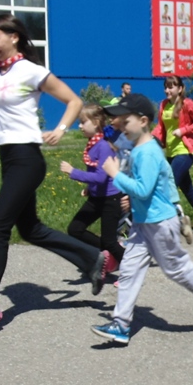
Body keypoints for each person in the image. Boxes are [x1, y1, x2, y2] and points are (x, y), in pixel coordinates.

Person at [0, 13, 106, 334]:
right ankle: (92, 259)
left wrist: (61, 129)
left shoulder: (30, 71)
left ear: (14, 37)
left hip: (27, 158)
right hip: (9, 157)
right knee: (31, 229)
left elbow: (73, 100)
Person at [91, 93, 193, 345]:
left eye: (125, 119)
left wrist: (115, 176)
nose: (120, 123)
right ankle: (120, 325)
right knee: (130, 270)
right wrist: (129, 196)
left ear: (143, 121)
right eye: (118, 119)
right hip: (143, 221)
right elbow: (147, 189)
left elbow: (143, 189)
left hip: (161, 222)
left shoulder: (149, 153)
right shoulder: (136, 148)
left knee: (175, 269)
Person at [60, 103, 125, 276]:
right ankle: (106, 255)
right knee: (75, 229)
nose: (80, 126)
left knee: (110, 242)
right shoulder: (92, 144)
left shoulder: (103, 145)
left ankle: (130, 268)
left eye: (83, 122)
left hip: (111, 199)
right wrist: (90, 188)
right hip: (97, 197)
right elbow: (96, 172)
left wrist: (73, 172)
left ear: (96, 122)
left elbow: (101, 177)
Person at [153, 75, 193, 235]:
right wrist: (152, 140)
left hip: (185, 151)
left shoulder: (187, 104)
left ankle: (174, 221)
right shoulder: (164, 105)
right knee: (187, 188)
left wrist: (183, 130)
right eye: (165, 87)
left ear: (180, 89)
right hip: (171, 151)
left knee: (166, 184)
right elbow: (160, 127)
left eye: (171, 87)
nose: (167, 90)